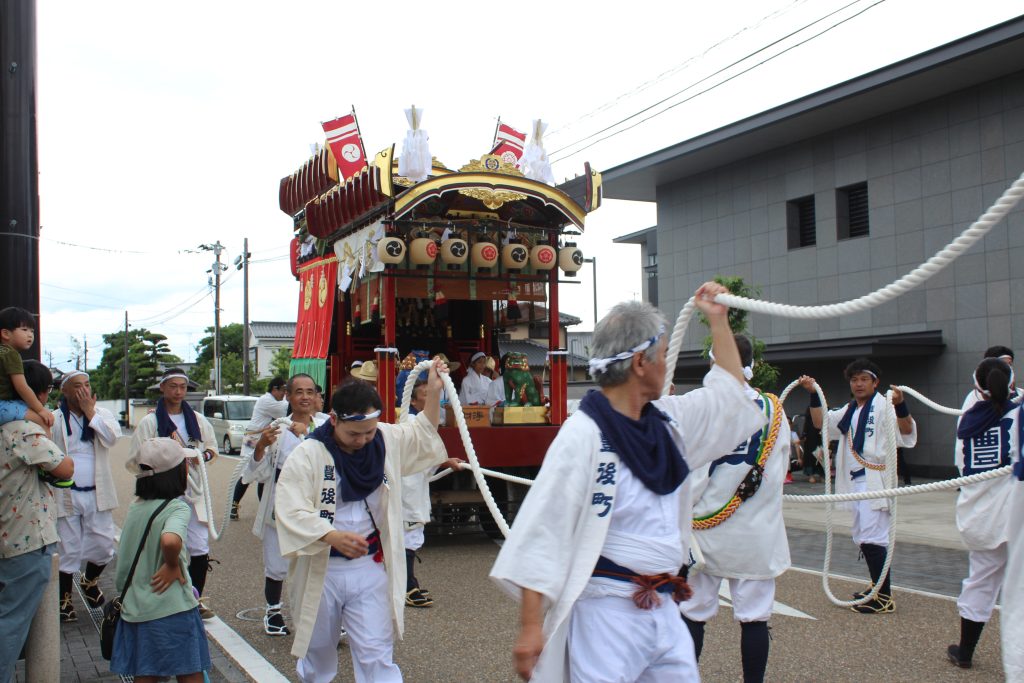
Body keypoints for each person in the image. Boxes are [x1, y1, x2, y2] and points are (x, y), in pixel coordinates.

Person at [491, 284, 767, 683]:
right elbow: (543, 528)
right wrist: (532, 625)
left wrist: (718, 319)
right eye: (662, 355)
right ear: (641, 362)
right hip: (607, 612)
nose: (665, 364)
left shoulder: (669, 424)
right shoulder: (583, 434)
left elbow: (729, 396)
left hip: (665, 607)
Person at [274, 359, 450, 683]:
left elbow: (421, 433)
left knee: (375, 651)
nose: (363, 440)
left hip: (370, 565)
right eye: (355, 433)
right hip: (322, 566)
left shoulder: (382, 438)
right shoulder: (310, 454)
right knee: (318, 653)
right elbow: (290, 508)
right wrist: (329, 534)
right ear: (334, 419)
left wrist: (435, 391)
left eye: (368, 432)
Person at [681, 336, 791, 683]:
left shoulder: (705, 406)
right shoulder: (774, 410)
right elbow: (781, 468)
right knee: (755, 616)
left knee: (693, 612)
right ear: (751, 363)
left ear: (714, 362)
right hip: (755, 530)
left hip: (707, 527)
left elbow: (692, 474)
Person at [799, 358, 917, 614]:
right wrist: (813, 395)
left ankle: (883, 597)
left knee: (873, 538)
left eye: (864, 379)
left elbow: (907, 432)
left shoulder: (883, 406)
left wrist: (901, 406)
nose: (859, 384)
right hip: (855, 481)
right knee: (865, 537)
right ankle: (877, 587)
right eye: (855, 379)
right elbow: (822, 424)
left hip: (874, 479)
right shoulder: (850, 410)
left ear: (875, 382)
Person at [113, 437, 210, 683]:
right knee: (189, 672)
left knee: (146, 673)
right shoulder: (177, 508)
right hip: (173, 609)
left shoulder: (136, 507)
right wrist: (172, 564)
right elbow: (170, 540)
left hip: (137, 608)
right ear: (178, 472)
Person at [0, 360, 74, 683]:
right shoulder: (23, 430)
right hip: (25, 540)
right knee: (10, 624)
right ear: (37, 392)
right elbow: (65, 468)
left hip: (7, 536)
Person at [946, 355, 1019, 668]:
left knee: (980, 581)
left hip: (982, 515)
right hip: (1016, 507)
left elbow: (960, 465)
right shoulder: (1020, 413)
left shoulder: (967, 418)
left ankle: (966, 652)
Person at [130, 368, 219, 618]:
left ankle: (196, 599)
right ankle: (164, 598)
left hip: (193, 489)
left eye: (182, 387)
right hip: (163, 491)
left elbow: (211, 447)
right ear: (163, 388)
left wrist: (202, 455)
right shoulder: (150, 422)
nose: (178, 391)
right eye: (173, 386)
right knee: (164, 542)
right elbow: (135, 458)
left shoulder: (199, 421)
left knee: (199, 545)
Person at [245, 373, 325, 636]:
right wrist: (260, 446)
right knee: (277, 560)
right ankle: (273, 612)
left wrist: (310, 432)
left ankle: (322, 616)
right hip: (282, 499)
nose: (305, 397)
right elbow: (257, 471)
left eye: (310, 392)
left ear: (316, 396)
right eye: (299, 392)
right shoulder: (276, 429)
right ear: (288, 396)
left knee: (318, 558)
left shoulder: (326, 426)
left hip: (316, 500)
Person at [49, 370, 123, 622]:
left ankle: (90, 580)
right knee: (67, 547)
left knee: (104, 544)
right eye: (76, 386)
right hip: (65, 492)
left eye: (87, 385)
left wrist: (90, 411)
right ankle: (64, 600)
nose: (82, 390)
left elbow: (112, 439)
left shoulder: (102, 415)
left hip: (97, 491)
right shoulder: (54, 418)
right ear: (64, 390)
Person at [400, 379, 462, 608]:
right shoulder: (411, 422)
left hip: (416, 482)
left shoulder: (423, 423)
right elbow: (418, 452)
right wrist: (444, 461)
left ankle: (409, 582)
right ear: (414, 401)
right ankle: (407, 587)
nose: (431, 398)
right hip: (408, 484)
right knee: (408, 533)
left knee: (412, 532)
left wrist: (444, 461)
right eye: (426, 395)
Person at [231, 377, 288, 520]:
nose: (284, 394)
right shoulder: (266, 400)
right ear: (275, 389)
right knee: (248, 472)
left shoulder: (272, 400)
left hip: (262, 438)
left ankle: (264, 508)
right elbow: (286, 410)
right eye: (283, 390)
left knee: (264, 474)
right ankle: (233, 505)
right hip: (253, 439)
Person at [0, 306, 53, 430]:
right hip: (2, 406)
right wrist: (41, 410)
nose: (30, 335)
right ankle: (49, 449)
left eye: (32, 331)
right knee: (44, 421)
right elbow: (22, 387)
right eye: (24, 329)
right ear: (5, 333)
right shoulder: (10, 354)